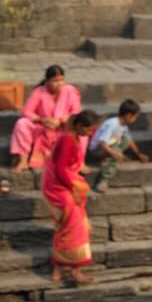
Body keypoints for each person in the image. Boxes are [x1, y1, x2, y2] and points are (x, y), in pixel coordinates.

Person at [43, 112, 100, 287]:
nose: (91, 134)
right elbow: (60, 168)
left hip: (61, 184)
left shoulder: (72, 137)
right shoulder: (68, 139)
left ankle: (59, 268)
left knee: (66, 227)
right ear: (80, 127)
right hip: (59, 187)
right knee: (74, 228)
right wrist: (72, 188)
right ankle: (74, 270)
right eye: (90, 130)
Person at [6, 65, 84, 193]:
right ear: (47, 81)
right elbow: (26, 111)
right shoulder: (39, 91)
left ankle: (80, 163)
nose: (59, 84)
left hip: (63, 129)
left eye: (61, 80)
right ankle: (23, 160)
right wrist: (41, 120)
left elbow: (76, 112)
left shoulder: (70, 91)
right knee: (22, 123)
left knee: (82, 129)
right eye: (55, 81)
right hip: (42, 129)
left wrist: (61, 120)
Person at [87, 100, 148, 190]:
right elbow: (102, 143)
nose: (135, 120)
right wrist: (115, 153)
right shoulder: (112, 124)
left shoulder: (124, 126)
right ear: (128, 116)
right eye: (135, 117)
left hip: (109, 146)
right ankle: (103, 180)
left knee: (126, 140)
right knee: (115, 153)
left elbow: (129, 141)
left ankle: (111, 157)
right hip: (96, 150)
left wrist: (138, 154)